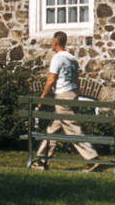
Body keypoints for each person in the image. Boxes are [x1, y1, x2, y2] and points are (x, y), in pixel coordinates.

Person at [33, 31, 99, 171]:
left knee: (72, 128)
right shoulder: (72, 59)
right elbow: (77, 80)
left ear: (55, 42)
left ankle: (92, 158)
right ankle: (41, 160)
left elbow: (51, 79)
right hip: (72, 94)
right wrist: (76, 97)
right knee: (53, 129)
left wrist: (42, 97)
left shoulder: (57, 58)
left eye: (52, 41)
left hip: (62, 96)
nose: (51, 43)